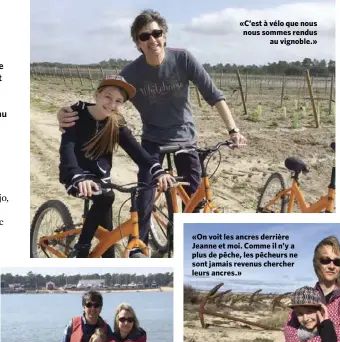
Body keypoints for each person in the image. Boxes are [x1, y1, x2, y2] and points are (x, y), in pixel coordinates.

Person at [57, 9, 247, 246]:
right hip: (153, 139)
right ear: (138, 44)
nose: (152, 40)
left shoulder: (183, 59)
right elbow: (105, 100)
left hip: (184, 138)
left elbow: (214, 95)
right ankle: (140, 246)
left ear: (164, 35)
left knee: (195, 197)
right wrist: (66, 111)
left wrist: (233, 130)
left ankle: (191, 245)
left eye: (156, 33)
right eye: (144, 37)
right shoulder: (131, 73)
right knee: (144, 194)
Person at [59, 74, 173, 257]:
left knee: (108, 243)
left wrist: (158, 171)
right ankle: (81, 247)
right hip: (75, 175)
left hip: (101, 179)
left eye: (118, 101)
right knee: (107, 198)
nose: (112, 104)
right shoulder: (76, 113)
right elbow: (67, 148)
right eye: (108, 97)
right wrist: (77, 176)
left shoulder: (116, 122)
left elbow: (138, 153)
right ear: (97, 95)